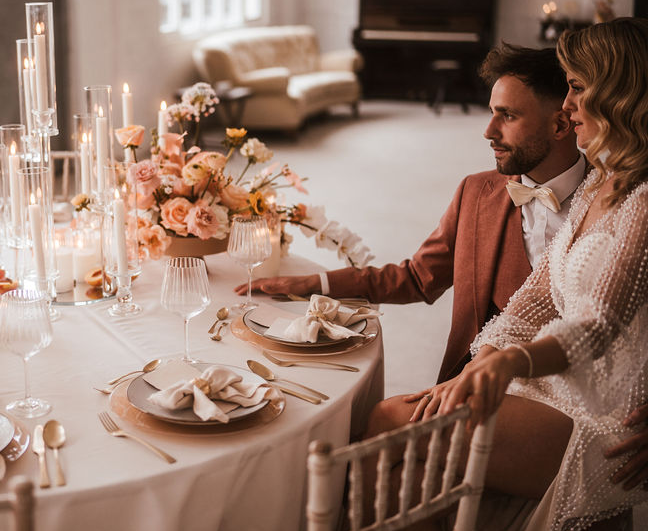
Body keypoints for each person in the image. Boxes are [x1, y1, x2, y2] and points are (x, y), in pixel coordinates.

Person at [385, 18, 648, 531]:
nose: (567, 104)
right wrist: (487, 357)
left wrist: (513, 360)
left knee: (401, 447)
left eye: (578, 87)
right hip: (554, 388)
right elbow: (535, 301)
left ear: (620, 92)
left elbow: (597, 321)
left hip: (605, 418)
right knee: (396, 423)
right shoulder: (595, 185)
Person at [239, 43, 585, 383]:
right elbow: (419, 277)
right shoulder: (477, 193)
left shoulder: (616, 201)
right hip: (476, 381)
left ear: (560, 125)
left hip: (575, 387)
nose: (488, 132)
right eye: (492, 112)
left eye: (508, 116)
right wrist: (318, 283)